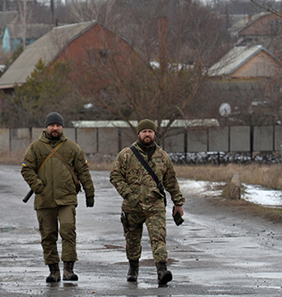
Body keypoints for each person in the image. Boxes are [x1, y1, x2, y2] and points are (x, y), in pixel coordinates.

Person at [109, 119, 185, 286]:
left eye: (150, 131)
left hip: (155, 206)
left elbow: (171, 181)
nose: (147, 134)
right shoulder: (126, 155)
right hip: (132, 206)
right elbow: (115, 176)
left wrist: (178, 203)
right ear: (139, 134)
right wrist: (128, 193)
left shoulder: (163, 156)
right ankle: (133, 268)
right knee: (132, 240)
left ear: (154, 134)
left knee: (158, 238)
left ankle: (162, 270)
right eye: (144, 132)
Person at [21, 112, 95, 283]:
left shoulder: (72, 148)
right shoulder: (35, 147)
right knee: (48, 235)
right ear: (46, 127)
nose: (55, 128)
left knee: (68, 231)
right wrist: (37, 186)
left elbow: (83, 171)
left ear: (62, 127)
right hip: (44, 199)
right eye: (52, 125)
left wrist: (89, 193)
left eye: (58, 125)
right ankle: (53, 271)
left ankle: (69, 270)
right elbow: (26, 169)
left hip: (67, 198)